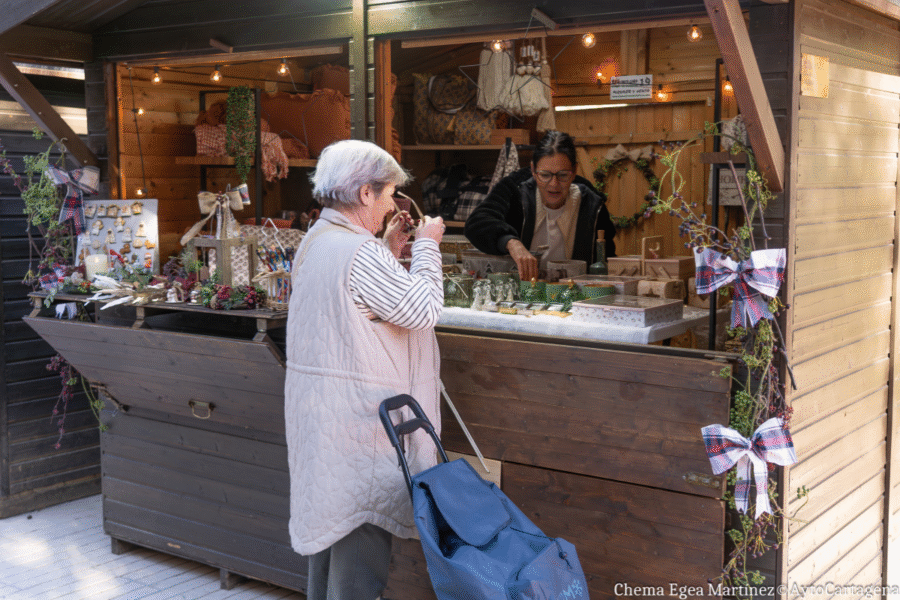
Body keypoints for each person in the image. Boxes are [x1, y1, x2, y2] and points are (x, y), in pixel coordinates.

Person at [284, 139, 446, 600]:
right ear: (365, 194)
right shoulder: (359, 253)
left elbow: (355, 305)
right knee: (359, 554)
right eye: (390, 193)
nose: (394, 203)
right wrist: (428, 247)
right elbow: (422, 309)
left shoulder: (317, 239)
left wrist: (388, 248)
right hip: (360, 430)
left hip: (324, 421)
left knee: (329, 543)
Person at [464, 130, 617, 282]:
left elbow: (608, 262)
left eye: (563, 175)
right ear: (533, 170)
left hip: (575, 298)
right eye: (545, 175)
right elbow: (477, 223)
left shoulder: (593, 206)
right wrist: (510, 242)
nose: (554, 184)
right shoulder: (514, 190)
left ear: (574, 171)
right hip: (520, 297)